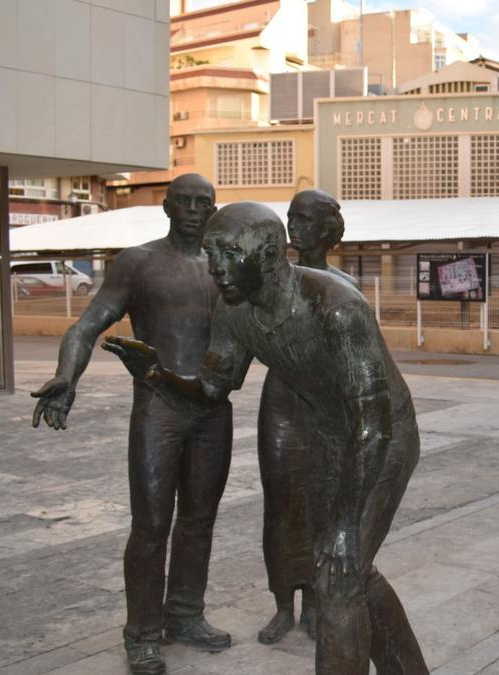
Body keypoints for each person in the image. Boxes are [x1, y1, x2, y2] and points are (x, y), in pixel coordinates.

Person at [102, 202, 426, 675]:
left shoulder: (335, 306)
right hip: (333, 438)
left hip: (383, 436)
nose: (216, 267)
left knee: (337, 577)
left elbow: (373, 426)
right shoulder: (235, 311)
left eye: (230, 254)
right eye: (212, 253)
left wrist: (343, 522)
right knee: (348, 570)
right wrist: (156, 373)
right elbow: (210, 392)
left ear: (272, 254)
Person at [30, 174, 232, 675]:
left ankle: (185, 614)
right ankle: (142, 634)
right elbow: (87, 324)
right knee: (151, 525)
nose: (192, 209)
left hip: (211, 407)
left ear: (213, 209)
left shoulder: (225, 266)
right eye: (183, 201)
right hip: (158, 407)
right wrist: (66, 376)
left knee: (199, 522)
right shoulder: (139, 262)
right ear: (165, 207)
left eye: (202, 202)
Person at [256, 189, 359, 645]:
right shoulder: (272, 282)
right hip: (281, 406)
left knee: (324, 509)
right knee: (280, 508)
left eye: (304, 218)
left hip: (328, 410)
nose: (293, 226)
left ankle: (317, 604)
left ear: (327, 229)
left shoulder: (344, 286)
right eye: (290, 217)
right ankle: (283, 604)